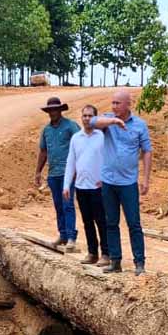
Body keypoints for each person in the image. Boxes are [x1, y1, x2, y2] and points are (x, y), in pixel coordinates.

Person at [90, 89, 153, 276]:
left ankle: (139, 262)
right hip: (109, 182)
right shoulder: (108, 121)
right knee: (111, 222)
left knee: (134, 223)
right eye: (113, 103)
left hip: (128, 183)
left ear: (128, 104)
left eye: (118, 103)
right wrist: (113, 121)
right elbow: (92, 122)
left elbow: (147, 151)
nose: (114, 106)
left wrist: (146, 179)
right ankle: (115, 261)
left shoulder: (140, 125)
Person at [63, 105, 109, 266]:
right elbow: (71, 162)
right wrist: (66, 185)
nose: (87, 118)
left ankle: (106, 253)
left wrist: (105, 178)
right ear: (81, 118)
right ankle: (92, 253)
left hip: (98, 187)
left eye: (90, 116)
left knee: (101, 221)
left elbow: (109, 159)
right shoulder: (76, 138)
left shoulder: (102, 137)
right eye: (84, 116)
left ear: (95, 118)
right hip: (81, 186)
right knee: (87, 221)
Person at [34, 96, 80, 251]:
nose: (53, 112)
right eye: (50, 110)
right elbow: (43, 151)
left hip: (68, 173)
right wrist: (38, 172)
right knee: (58, 206)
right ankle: (63, 235)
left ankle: (72, 238)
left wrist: (78, 169)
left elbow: (81, 144)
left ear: (60, 110)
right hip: (53, 174)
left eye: (55, 109)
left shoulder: (70, 126)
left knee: (68, 206)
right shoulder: (46, 130)